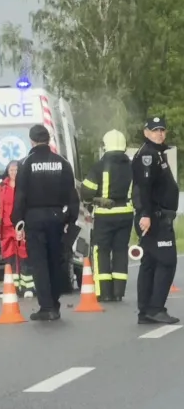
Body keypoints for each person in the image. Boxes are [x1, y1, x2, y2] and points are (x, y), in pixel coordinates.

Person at [11, 124, 79, 321]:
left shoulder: (26, 164)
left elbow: (20, 196)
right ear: (48, 139)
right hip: (57, 218)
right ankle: (55, 304)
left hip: (34, 218)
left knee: (39, 263)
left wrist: (18, 221)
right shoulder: (62, 163)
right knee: (55, 261)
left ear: (31, 140)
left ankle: (46, 307)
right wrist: (69, 219)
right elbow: (72, 195)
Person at [131, 116, 180, 325]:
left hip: (158, 217)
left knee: (150, 263)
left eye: (161, 130)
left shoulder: (157, 153)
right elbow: (143, 188)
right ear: (146, 132)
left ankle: (146, 310)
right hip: (154, 218)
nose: (159, 133)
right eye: (154, 130)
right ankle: (156, 308)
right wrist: (145, 214)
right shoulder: (147, 156)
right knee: (167, 261)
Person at [80, 129, 134, 303]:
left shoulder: (99, 166)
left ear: (105, 146)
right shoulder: (132, 166)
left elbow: (86, 192)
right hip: (126, 213)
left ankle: (104, 292)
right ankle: (119, 291)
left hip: (105, 214)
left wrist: (95, 199)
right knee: (120, 250)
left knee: (101, 250)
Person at [0, 160, 34, 298]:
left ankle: (28, 287)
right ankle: (12, 287)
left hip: (21, 226)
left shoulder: (25, 187)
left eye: (16, 170)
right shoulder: (1, 187)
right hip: (5, 227)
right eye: (11, 170)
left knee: (24, 255)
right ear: (8, 171)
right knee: (9, 257)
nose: (13, 173)